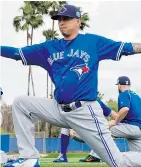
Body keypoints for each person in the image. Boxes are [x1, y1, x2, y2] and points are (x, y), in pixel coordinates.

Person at [1, 4, 141, 167]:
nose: (61, 22)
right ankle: (29, 158)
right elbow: (17, 53)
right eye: (59, 19)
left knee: (118, 162)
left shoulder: (92, 42)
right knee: (20, 103)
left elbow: (127, 47)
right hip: (58, 109)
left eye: (66, 18)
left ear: (78, 21)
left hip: (85, 111)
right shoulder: (49, 48)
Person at [53, 99, 118, 163]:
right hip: (79, 133)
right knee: (65, 128)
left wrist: (113, 122)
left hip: (94, 134)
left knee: (105, 127)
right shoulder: (75, 102)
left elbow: (115, 115)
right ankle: (62, 156)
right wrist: (71, 128)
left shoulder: (97, 102)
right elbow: (68, 116)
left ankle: (95, 156)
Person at [109, 76, 141, 152]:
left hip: (130, 128)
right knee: (137, 157)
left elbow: (125, 109)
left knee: (105, 129)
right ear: (129, 85)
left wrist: (115, 121)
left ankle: (95, 156)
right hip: (138, 130)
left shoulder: (123, 94)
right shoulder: (137, 96)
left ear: (119, 85)